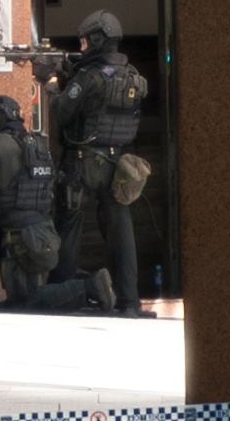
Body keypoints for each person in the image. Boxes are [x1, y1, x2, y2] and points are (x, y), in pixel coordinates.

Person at [0, 94, 116, 315]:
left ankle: (90, 287)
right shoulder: (36, 144)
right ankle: (86, 288)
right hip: (41, 233)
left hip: (20, 241)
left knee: (26, 303)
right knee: (17, 304)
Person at [40, 10, 155, 318]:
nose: (81, 48)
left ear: (98, 40)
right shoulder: (132, 76)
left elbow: (63, 112)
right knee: (120, 232)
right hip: (119, 164)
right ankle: (129, 302)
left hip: (83, 163)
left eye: (85, 42)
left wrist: (51, 84)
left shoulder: (89, 78)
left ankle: (64, 297)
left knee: (70, 228)